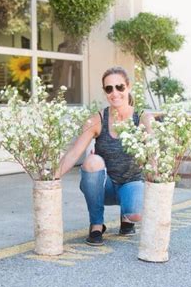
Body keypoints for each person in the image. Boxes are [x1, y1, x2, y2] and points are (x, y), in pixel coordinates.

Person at [55, 66, 153, 246]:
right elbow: (74, 153)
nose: (114, 93)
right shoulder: (97, 120)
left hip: (131, 182)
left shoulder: (142, 118)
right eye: (109, 88)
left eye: (119, 87)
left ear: (128, 87)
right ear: (105, 92)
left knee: (136, 213)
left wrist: (159, 177)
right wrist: (50, 178)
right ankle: (96, 224)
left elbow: (154, 154)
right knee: (92, 161)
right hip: (104, 186)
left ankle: (127, 217)